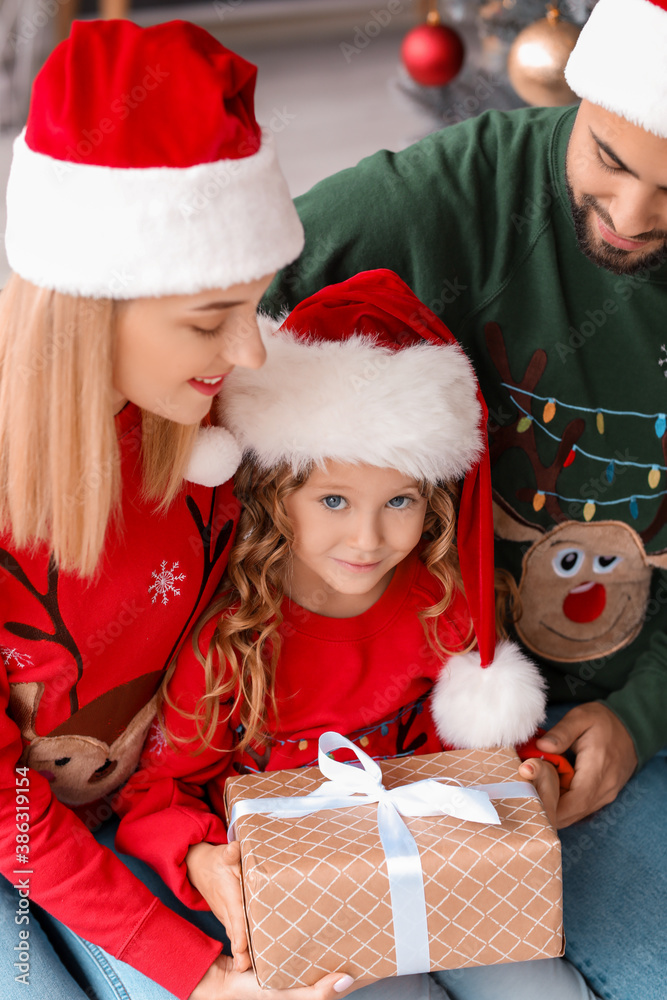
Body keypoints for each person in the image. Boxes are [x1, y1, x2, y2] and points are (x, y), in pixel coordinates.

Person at [261, 2, 667, 996]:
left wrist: (640, 715)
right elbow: (207, 315)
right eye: (609, 157)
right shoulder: (450, 198)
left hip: (620, 712)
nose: (633, 214)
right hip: (411, 714)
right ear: (580, 93)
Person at [114, 270, 594, 1000]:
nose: (367, 538)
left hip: (446, 862)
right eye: (333, 499)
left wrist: (538, 776)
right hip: (314, 891)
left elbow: (481, 754)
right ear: (279, 495)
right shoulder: (235, 638)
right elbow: (159, 786)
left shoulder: (441, 606)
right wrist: (200, 856)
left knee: (535, 984)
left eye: (398, 500)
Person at [0, 17, 321, 1000]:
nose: (252, 353)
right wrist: (195, 972)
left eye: (252, 304)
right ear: (90, 305)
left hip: (139, 808)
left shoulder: (207, 439)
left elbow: (206, 684)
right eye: (209, 319)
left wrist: (188, 850)